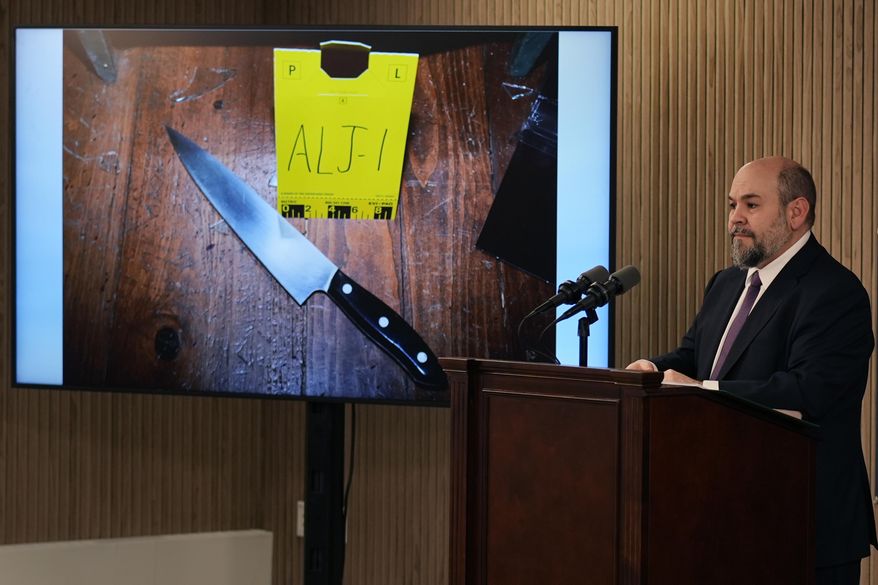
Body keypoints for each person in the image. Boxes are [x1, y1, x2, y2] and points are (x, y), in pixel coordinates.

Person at [627, 156, 876, 584]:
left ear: (796, 212)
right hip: (720, 518)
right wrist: (651, 369)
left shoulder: (835, 291)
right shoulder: (726, 283)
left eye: (751, 205)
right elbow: (692, 357)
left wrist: (700, 391)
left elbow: (807, 391)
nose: (734, 219)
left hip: (800, 524)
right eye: (732, 205)